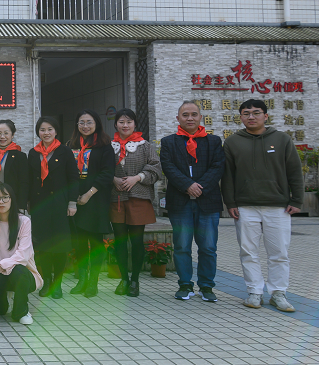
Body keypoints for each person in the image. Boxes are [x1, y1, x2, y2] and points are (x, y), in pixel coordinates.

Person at [222, 99, 304, 313]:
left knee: (279, 252)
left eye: (256, 112)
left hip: (278, 206)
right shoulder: (232, 142)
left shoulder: (282, 139)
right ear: (241, 117)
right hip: (245, 206)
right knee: (248, 252)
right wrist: (230, 202)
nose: (251, 117)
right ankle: (254, 292)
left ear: (265, 116)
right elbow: (227, 175)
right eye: (246, 113)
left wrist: (297, 200)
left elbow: (294, 171)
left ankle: (278, 293)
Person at [160, 100, 224, 302]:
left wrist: (199, 187)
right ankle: (185, 284)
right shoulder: (168, 142)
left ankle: (206, 286)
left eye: (194, 114)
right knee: (181, 246)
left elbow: (218, 167)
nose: (190, 118)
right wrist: (188, 185)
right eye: (185, 115)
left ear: (200, 117)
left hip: (208, 201)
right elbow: (168, 168)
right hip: (180, 202)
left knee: (208, 247)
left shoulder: (213, 141)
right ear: (178, 118)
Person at [109, 108, 162, 298]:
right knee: (120, 241)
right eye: (121, 122)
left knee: (137, 241)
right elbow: (100, 168)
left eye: (129, 122)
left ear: (135, 124)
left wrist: (137, 178)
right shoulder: (109, 146)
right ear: (116, 124)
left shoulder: (145, 146)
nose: (125, 125)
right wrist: (113, 178)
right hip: (116, 198)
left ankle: (135, 280)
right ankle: (124, 279)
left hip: (138, 198)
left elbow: (156, 168)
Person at [0, 181, 43, 326]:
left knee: (18, 271)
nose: (1, 202)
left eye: (5, 197)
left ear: (12, 199)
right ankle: (3, 298)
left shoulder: (23, 222)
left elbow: (22, 255)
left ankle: (21, 312)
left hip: (23, 274)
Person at [26, 117, 78, 299]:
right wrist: (27, 203)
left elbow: (73, 178)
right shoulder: (33, 153)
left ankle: (57, 283)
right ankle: (46, 280)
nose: (46, 133)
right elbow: (29, 180)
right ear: (38, 132)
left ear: (56, 131)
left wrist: (72, 202)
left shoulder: (65, 151)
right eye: (42, 129)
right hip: (39, 206)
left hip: (59, 205)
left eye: (50, 129)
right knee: (43, 245)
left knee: (60, 246)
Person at [67, 109, 114, 298]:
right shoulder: (70, 145)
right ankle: (82, 279)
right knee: (78, 242)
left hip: (96, 199)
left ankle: (93, 281)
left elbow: (107, 174)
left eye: (89, 122)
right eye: (81, 122)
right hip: (74, 199)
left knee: (95, 242)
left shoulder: (104, 146)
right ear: (77, 125)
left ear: (97, 124)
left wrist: (89, 194)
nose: (85, 126)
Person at [0, 119, 29, 211]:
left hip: (11, 199)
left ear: (13, 134)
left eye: (6, 133)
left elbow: (24, 182)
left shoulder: (20, 156)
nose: (2, 136)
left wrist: (21, 205)